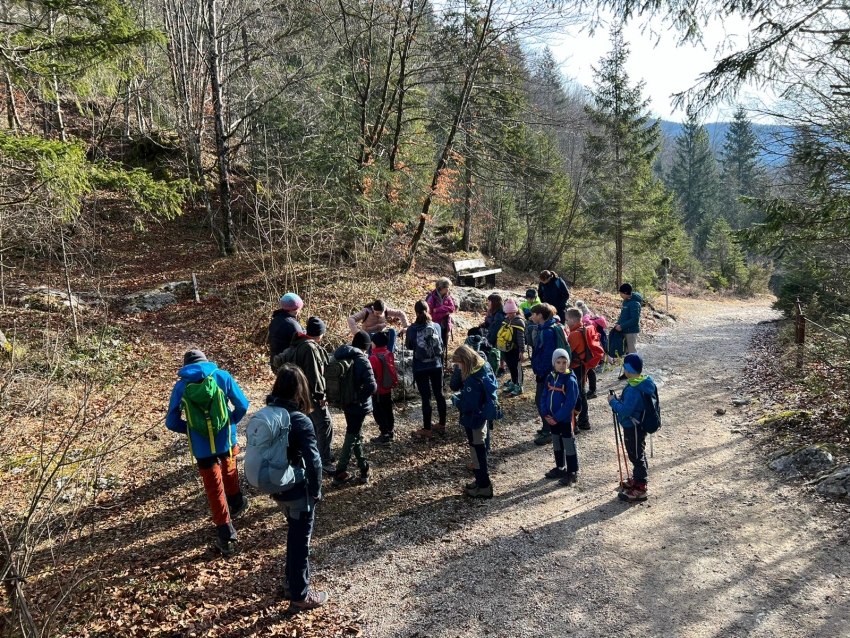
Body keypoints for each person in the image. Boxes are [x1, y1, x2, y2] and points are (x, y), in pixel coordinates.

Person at [166, 350, 250, 556]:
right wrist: (230, 422)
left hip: (202, 449)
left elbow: (171, 421)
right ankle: (237, 502)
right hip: (226, 442)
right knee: (229, 470)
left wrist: (192, 429)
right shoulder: (222, 376)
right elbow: (243, 405)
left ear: (186, 366)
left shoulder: (181, 386)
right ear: (206, 361)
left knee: (214, 488)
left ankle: (226, 535)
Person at [259, 364, 327, 609]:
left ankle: (290, 582)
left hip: (276, 485)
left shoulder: (269, 413)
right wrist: (316, 489)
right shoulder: (300, 420)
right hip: (297, 488)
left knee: (294, 534)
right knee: (300, 541)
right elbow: (314, 460)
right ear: (300, 389)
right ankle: (299, 595)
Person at [278, 317, 335, 474]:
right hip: (310, 395)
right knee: (325, 424)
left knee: (309, 425)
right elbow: (314, 376)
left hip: (299, 394)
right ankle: (324, 460)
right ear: (319, 334)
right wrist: (320, 396)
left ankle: (311, 456)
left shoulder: (298, 343)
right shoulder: (310, 348)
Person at [449, 345, 497, 499]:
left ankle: (484, 486)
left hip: (474, 420)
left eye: (458, 364)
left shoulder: (472, 381)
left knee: (477, 453)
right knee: (478, 450)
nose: (458, 367)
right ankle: (479, 481)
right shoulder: (483, 368)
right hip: (481, 417)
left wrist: (456, 401)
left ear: (465, 361)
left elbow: (470, 405)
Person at [331, 330, 378, 487]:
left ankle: (364, 468)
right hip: (358, 405)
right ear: (366, 346)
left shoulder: (340, 355)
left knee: (355, 433)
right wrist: (361, 398)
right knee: (352, 436)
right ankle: (340, 472)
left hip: (344, 402)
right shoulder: (362, 360)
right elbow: (372, 385)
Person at [608, 353, 656, 502]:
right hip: (640, 425)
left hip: (633, 426)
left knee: (636, 456)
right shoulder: (641, 382)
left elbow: (626, 411)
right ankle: (638, 479)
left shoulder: (634, 388)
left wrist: (613, 402)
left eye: (625, 368)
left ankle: (641, 488)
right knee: (638, 451)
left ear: (628, 370)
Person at [406, 300, 447, 439]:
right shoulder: (436, 326)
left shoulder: (412, 329)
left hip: (420, 366)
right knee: (439, 394)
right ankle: (442, 424)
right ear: (428, 310)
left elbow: (410, 346)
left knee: (426, 397)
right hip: (436, 364)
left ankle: (427, 429)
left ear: (415, 312)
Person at [540, 348, 581, 486]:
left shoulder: (570, 381)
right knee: (557, 442)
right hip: (551, 418)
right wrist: (546, 414)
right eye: (558, 362)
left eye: (564, 362)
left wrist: (556, 417)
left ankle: (572, 472)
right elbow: (544, 396)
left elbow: (570, 403)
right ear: (554, 363)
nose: (562, 365)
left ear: (568, 363)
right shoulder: (550, 377)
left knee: (568, 444)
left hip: (563, 419)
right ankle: (560, 467)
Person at [529, 304, 567, 446]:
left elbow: (548, 355)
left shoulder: (547, 331)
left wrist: (541, 372)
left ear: (540, 315)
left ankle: (548, 431)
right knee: (542, 400)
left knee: (541, 400)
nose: (531, 316)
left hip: (546, 373)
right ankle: (548, 427)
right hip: (545, 371)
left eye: (533, 314)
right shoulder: (545, 328)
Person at [565, 308, 603, 432]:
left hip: (576, 368)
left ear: (574, 319)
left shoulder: (575, 334)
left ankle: (575, 422)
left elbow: (567, 352)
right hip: (583, 366)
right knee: (581, 393)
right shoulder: (585, 329)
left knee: (575, 394)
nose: (566, 321)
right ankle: (584, 421)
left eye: (567, 319)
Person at [368, 331, 397, 445]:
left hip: (378, 390)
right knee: (388, 410)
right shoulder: (388, 354)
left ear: (375, 343)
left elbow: (372, 374)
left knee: (379, 412)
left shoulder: (373, 358)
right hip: (387, 387)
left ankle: (384, 434)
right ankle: (390, 431)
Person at [575, 299, 608, 398]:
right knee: (590, 369)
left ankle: (591, 390)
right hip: (594, 346)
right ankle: (591, 390)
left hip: (588, 348)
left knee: (589, 369)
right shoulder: (594, 318)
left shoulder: (586, 322)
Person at [268, 293, 305, 370]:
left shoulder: (276, 319)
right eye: (299, 309)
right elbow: (303, 341)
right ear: (293, 309)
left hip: (276, 360)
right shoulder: (290, 323)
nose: (299, 311)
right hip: (287, 364)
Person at [497, 298, 526, 397]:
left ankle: (519, 386)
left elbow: (521, 338)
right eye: (507, 313)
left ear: (515, 311)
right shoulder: (506, 321)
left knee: (517, 367)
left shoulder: (519, 322)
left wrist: (522, 351)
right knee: (511, 367)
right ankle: (514, 383)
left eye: (510, 313)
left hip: (516, 350)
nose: (508, 315)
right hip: (507, 349)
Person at [426, 277, 456, 366]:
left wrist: (439, 309)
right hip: (435, 327)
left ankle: (442, 365)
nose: (449, 289)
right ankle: (435, 365)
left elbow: (452, 308)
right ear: (441, 288)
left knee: (444, 346)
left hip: (445, 326)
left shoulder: (448, 296)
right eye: (447, 287)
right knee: (436, 346)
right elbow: (432, 316)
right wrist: (445, 313)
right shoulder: (431, 298)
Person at [481, 293, 506, 376]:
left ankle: (501, 368)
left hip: (498, 338)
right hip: (493, 336)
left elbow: (497, 330)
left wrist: (491, 340)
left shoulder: (499, 315)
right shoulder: (494, 313)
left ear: (494, 303)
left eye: (489, 301)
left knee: (498, 353)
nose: (488, 302)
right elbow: (490, 323)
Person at [614, 283, 643, 355]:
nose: (620, 294)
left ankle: (635, 366)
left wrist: (622, 326)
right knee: (625, 351)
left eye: (621, 293)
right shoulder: (625, 302)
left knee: (632, 351)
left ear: (626, 293)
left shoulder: (634, 304)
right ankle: (627, 365)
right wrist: (618, 323)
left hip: (631, 332)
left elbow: (635, 320)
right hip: (624, 330)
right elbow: (623, 315)